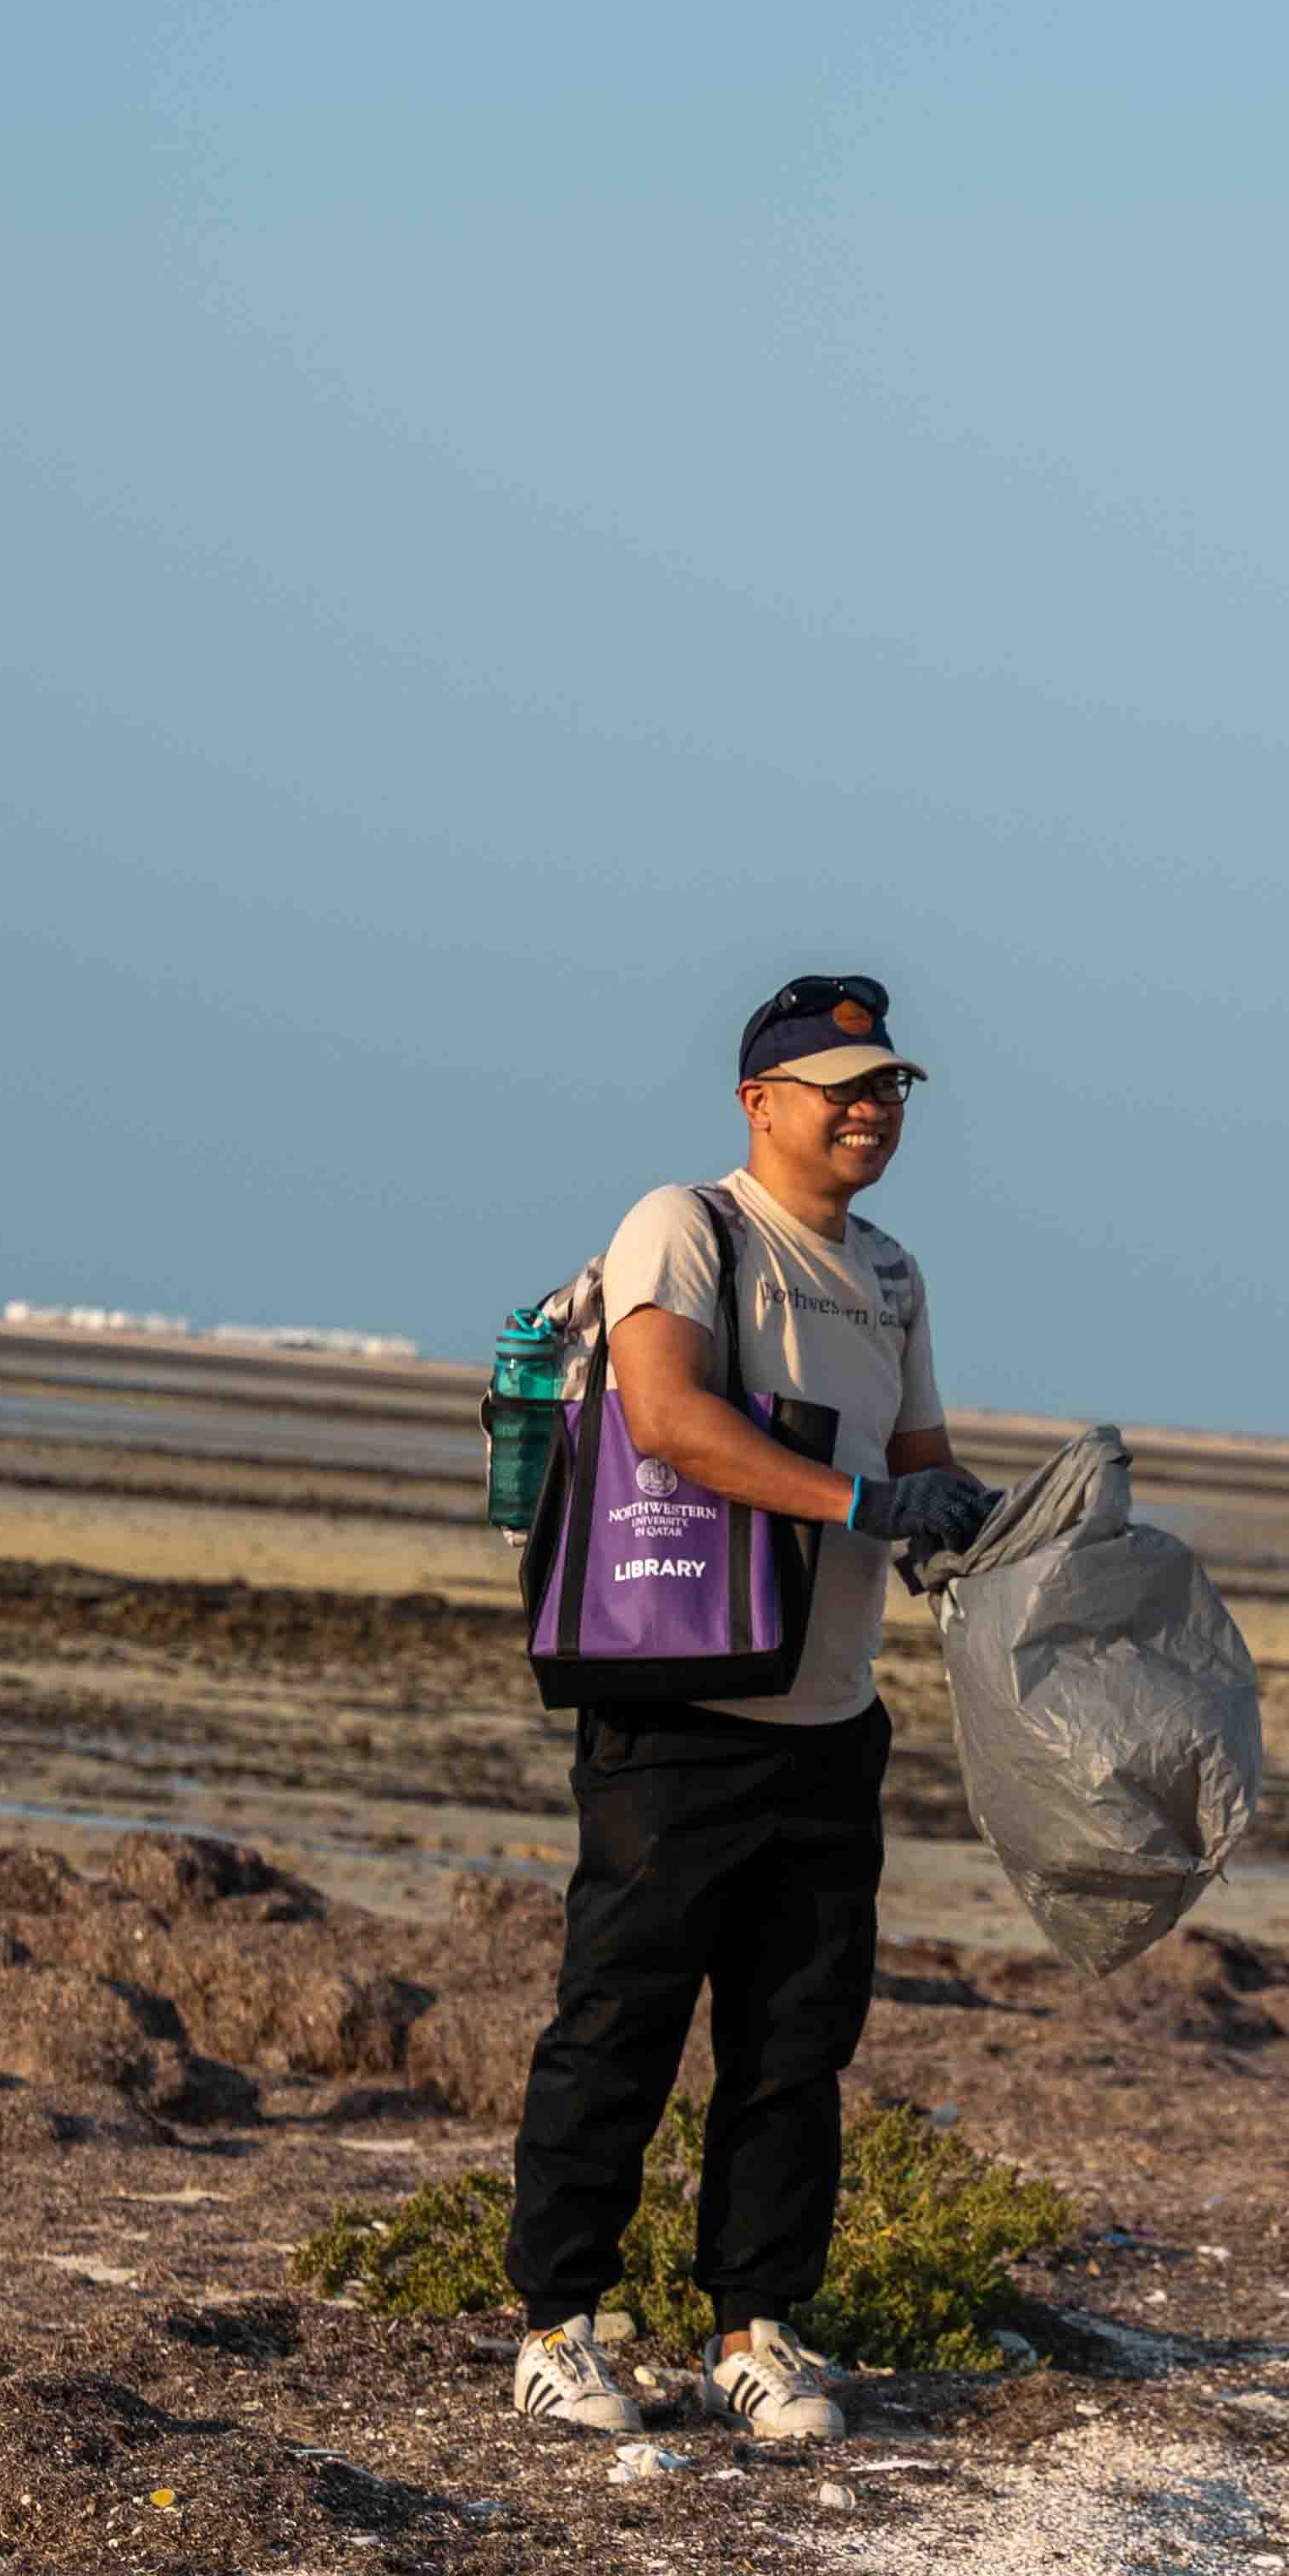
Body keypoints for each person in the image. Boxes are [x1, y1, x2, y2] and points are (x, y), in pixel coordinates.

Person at [505, 974, 1000, 2447]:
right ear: (760, 1101)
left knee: (797, 2043)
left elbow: (919, 1453)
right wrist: (863, 1499)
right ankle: (558, 2324)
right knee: (620, 2024)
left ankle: (755, 2327)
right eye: (841, 1083)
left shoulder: (895, 1275)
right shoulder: (690, 1226)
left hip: (832, 1719)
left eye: (891, 1086)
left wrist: (968, 1522)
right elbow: (666, 1416)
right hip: (681, 1708)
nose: (871, 1108)